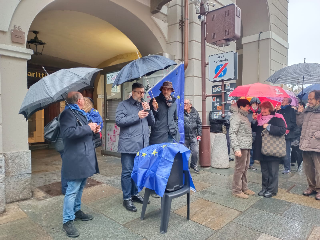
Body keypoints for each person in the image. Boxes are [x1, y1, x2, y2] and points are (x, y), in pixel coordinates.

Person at [60, 92, 100, 238]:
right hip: (76, 158)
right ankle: (67, 221)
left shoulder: (80, 113)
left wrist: (94, 129)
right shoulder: (67, 114)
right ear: (78, 101)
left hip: (85, 157)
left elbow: (84, 132)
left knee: (81, 186)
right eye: (83, 98)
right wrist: (88, 128)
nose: (85, 100)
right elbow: (67, 133)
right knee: (72, 189)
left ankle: (76, 211)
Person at [116, 82, 155, 212]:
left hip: (142, 145)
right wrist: (136, 116)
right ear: (133, 92)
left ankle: (135, 193)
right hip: (128, 144)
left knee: (137, 172)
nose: (142, 95)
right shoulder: (123, 105)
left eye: (143, 92)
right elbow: (119, 121)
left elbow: (152, 123)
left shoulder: (143, 105)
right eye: (139, 92)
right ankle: (127, 198)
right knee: (127, 172)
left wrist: (148, 110)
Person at [149, 81, 180, 198]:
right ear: (161, 90)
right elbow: (150, 119)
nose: (166, 91)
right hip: (158, 135)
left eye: (168, 89)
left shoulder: (174, 102)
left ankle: (166, 185)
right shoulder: (155, 101)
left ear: (172, 91)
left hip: (170, 135)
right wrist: (155, 109)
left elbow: (175, 118)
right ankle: (155, 188)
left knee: (167, 162)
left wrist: (174, 128)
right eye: (164, 89)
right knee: (156, 163)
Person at [252, 101, 287, 198]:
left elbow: (282, 130)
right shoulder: (259, 119)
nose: (262, 110)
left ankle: (272, 190)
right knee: (264, 171)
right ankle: (264, 188)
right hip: (262, 149)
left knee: (273, 171)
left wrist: (269, 126)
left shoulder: (277, 118)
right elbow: (255, 129)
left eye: (265, 108)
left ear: (270, 109)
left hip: (272, 149)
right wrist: (254, 121)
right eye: (261, 108)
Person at [229, 99, 255, 199]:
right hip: (241, 146)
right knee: (239, 168)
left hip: (247, 145)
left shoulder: (245, 117)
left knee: (245, 167)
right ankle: (236, 190)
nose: (249, 107)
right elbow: (232, 133)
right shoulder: (236, 117)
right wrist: (236, 148)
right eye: (247, 106)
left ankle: (244, 188)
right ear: (241, 107)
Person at [296, 90, 320, 200]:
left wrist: (317, 135)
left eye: (311, 99)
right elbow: (299, 124)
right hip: (305, 144)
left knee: (319, 169)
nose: (308, 101)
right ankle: (311, 187)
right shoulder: (306, 111)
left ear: (318, 100)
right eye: (308, 99)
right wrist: (299, 113)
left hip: (317, 145)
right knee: (308, 168)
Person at [276, 97, 297, 174]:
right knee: (278, 150)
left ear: (288, 103)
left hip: (287, 133)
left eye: (285, 100)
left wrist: (287, 128)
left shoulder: (291, 110)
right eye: (282, 100)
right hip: (279, 132)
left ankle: (287, 168)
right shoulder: (279, 110)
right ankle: (278, 165)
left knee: (287, 151)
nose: (283, 102)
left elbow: (293, 122)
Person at [184, 99, 202, 173]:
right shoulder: (181, 113)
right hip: (184, 137)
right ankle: (186, 167)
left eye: (186, 103)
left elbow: (199, 124)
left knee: (195, 152)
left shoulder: (195, 112)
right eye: (184, 103)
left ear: (190, 105)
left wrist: (199, 134)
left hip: (193, 136)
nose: (184, 104)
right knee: (185, 153)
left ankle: (194, 165)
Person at [247, 97, 261, 170]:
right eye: (253, 104)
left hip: (258, 133)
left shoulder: (260, 112)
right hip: (250, 133)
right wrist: (253, 120)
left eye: (256, 104)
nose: (254, 105)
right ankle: (250, 163)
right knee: (251, 149)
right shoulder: (248, 112)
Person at [291, 102, 305, 171]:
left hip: (301, 134)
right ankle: (294, 161)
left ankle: (299, 164)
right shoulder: (295, 113)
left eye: (300, 106)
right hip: (295, 133)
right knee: (294, 149)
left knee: (299, 151)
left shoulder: (305, 113)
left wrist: (301, 113)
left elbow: (301, 123)